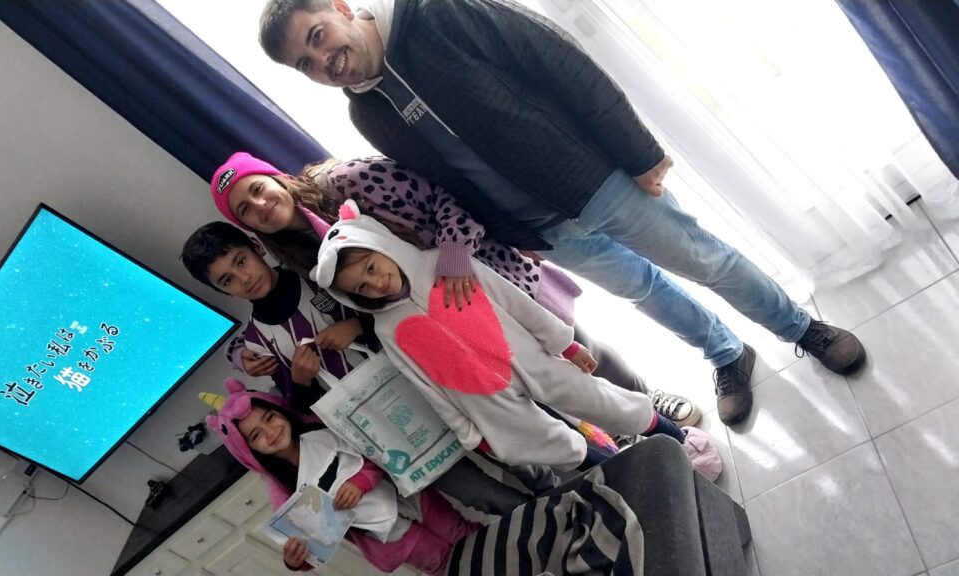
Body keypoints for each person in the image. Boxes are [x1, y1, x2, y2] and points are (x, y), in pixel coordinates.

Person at [256, 0, 867, 425]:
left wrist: (637, 150)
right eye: (304, 63)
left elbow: (556, 58)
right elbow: (446, 180)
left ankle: (800, 330)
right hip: (544, 230)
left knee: (705, 261)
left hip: (599, 181)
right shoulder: (366, 113)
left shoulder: (435, 15)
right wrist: (510, 232)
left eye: (317, 37)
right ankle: (726, 353)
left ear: (340, 8)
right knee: (644, 291)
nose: (323, 60)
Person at [210, 151, 701, 427]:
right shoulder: (296, 254)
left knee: (571, 342)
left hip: (478, 269)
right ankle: (629, 426)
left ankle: (649, 399)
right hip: (442, 318)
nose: (261, 205)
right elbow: (357, 297)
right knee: (541, 381)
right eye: (246, 210)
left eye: (257, 189)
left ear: (272, 176)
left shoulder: (349, 179)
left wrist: (451, 261)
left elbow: (446, 200)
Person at [180, 220, 554, 514]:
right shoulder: (257, 344)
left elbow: (394, 297)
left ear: (257, 247)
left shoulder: (316, 274)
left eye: (241, 261)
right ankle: (547, 526)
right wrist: (300, 380)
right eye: (228, 279)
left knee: (511, 448)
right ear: (221, 290)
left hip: (432, 383)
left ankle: (562, 491)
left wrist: (358, 326)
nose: (244, 278)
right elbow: (299, 408)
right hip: (391, 428)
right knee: (475, 491)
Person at [312, 199, 695, 471]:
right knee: (551, 446)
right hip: (485, 399)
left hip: (534, 360)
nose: (376, 284)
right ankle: (629, 476)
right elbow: (426, 384)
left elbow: (517, 304)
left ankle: (679, 440)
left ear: (383, 246)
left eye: (372, 267)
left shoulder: (444, 266)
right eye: (362, 288)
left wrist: (566, 344)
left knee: (604, 401)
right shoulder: (387, 329)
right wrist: (468, 433)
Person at [201, 378, 479, 575]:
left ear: (280, 411)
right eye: (255, 435)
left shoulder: (319, 429)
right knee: (442, 564)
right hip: (390, 537)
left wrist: (361, 482)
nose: (269, 432)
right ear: (249, 451)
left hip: (413, 498)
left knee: (464, 534)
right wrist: (297, 561)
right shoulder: (280, 490)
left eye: (269, 418)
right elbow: (313, 540)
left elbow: (373, 451)